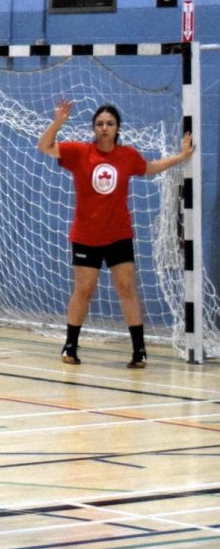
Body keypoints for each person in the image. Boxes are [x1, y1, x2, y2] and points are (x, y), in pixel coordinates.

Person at [37, 99, 194, 368]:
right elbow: (45, 146)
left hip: (119, 235)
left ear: (118, 127)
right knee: (84, 290)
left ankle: (139, 351)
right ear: (94, 128)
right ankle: (70, 346)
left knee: (127, 289)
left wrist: (180, 157)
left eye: (109, 123)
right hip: (86, 236)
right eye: (99, 124)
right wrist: (59, 121)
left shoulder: (128, 156)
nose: (104, 128)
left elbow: (150, 168)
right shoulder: (78, 152)